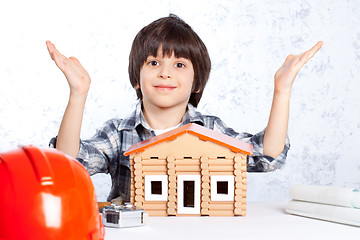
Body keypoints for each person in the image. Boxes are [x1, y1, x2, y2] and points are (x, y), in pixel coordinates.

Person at [47, 14, 323, 202]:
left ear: (197, 82)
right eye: (154, 63)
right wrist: (78, 94)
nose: (165, 73)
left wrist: (282, 90)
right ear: (136, 79)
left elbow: (267, 157)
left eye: (179, 65)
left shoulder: (209, 130)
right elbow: (66, 165)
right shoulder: (117, 133)